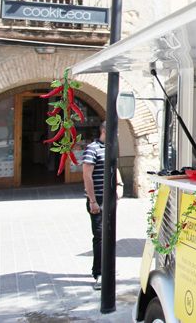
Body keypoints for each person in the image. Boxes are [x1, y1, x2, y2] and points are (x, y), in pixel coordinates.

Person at [83, 121, 106, 291]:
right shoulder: (92, 148)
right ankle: (98, 273)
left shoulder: (110, 148)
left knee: (108, 236)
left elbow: (114, 168)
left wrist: (119, 187)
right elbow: (87, 175)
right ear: (104, 130)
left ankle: (107, 268)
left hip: (109, 199)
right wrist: (92, 201)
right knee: (99, 237)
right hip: (97, 198)